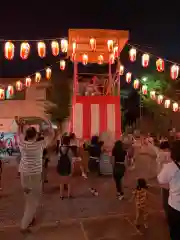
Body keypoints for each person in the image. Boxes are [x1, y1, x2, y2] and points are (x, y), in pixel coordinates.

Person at [18, 125, 55, 234]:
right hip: (34, 176)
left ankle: (31, 218)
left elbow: (19, 134)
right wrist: (49, 125)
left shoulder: (22, 144)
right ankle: (24, 226)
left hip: (24, 176)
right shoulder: (40, 145)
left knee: (29, 198)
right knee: (33, 202)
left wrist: (20, 126)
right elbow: (52, 135)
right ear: (36, 135)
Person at [158, 140, 180, 239]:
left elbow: (161, 181)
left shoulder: (170, 167)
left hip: (175, 207)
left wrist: (171, 186)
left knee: (175, 233)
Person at [156, 141, 171, 217]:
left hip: (164, 179)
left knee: (165, 197)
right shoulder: (172, 154)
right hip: (173, 179)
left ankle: (166, 213)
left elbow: (158, 168)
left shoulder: (160, 154)